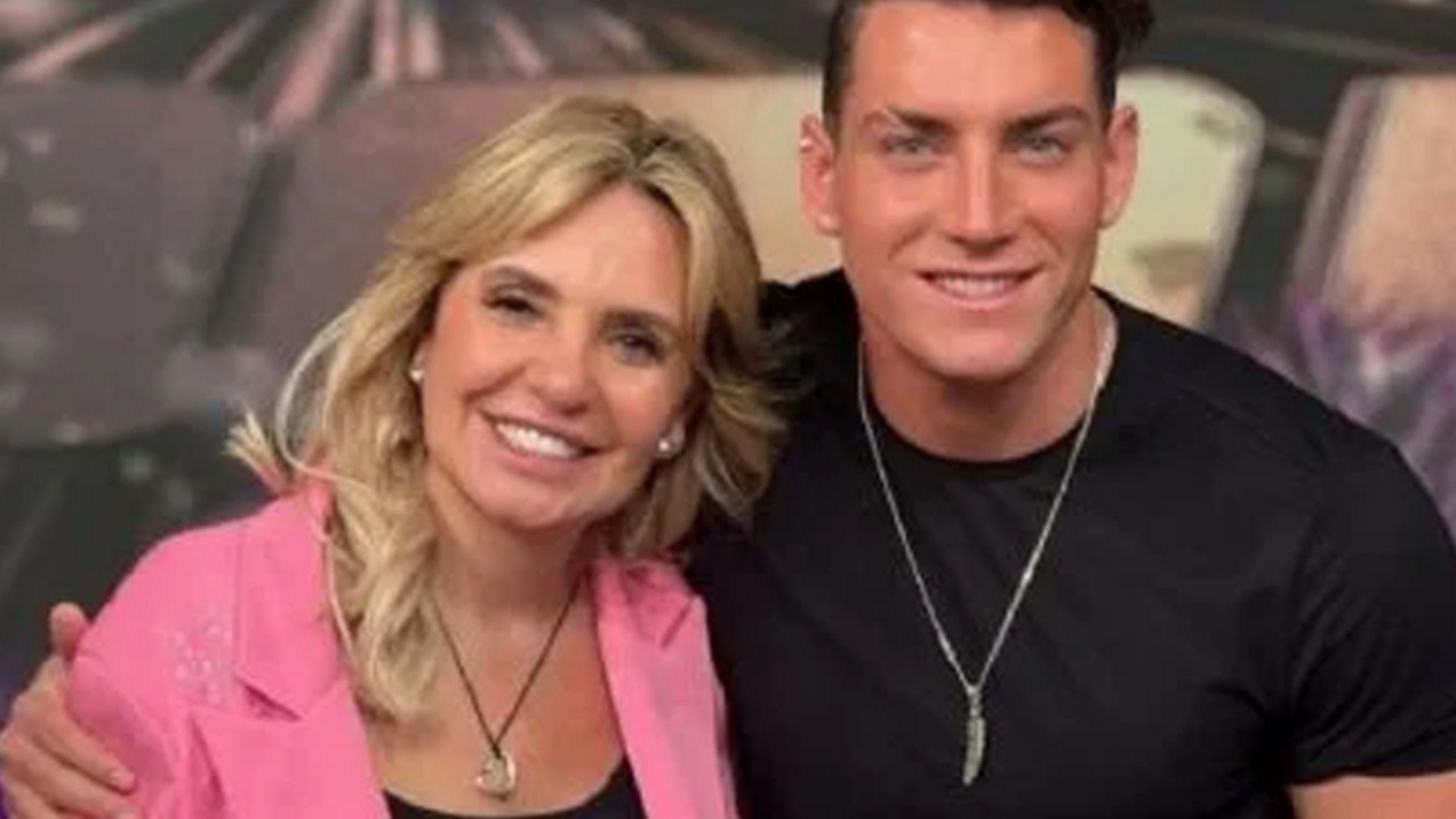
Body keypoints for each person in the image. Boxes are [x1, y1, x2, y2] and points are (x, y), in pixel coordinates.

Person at [7, 1, 1456, 817]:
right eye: (912, 142)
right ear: (824, 175)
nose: (976, 212)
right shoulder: (734, 397)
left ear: (1116, 163)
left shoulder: (1326, 517)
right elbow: (418, 509)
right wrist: (111, 707)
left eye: (1038, 142)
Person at [0, 96, 778, 818]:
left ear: (682, 410)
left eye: (635, 341)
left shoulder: (690, 638)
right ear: (421, 334)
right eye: (516, 304)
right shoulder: (199, 613)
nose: (563, 380)